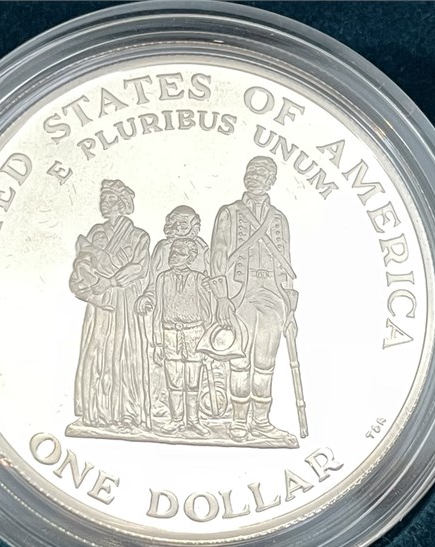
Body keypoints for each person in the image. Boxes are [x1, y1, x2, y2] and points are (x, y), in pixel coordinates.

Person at [209, 156, 298, 443]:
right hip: (240, 295)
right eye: (250, 171)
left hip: (273, 296)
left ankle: (260, 421)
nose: (253, 176)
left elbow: (286, 264)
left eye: (260, 173)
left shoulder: (280, 219)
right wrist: (222, 297)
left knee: (265, 363)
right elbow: (218, 256)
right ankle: (238, 421)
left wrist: (291, 310)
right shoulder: (229, 213)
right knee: (239, 361)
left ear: (271, 180)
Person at [69, 179, 151, 432]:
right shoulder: (95, 234)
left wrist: (112, 280)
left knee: (126, 353)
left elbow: (140, 268)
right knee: (98, 351)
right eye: (103, 198)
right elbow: (82, 264)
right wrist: (94, 286)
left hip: (125, 302)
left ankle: (127, 412)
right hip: (100, 302)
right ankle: (98, 411)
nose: (104, 203)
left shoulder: (139, 236)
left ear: (123, 202)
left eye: (110, 198)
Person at [152, 238, 213, 436]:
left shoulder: (198, 279)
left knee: (193, 381)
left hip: (194, 333)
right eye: (173, 252)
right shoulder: (162, 279)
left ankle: (194, 421)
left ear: (190, 258)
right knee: (174, 381)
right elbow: (158, 312)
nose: (174, 256)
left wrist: (208, 344)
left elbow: (206, 312)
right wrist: (157, 343)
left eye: (180, 253)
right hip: (170, 333)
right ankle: (176, 420)